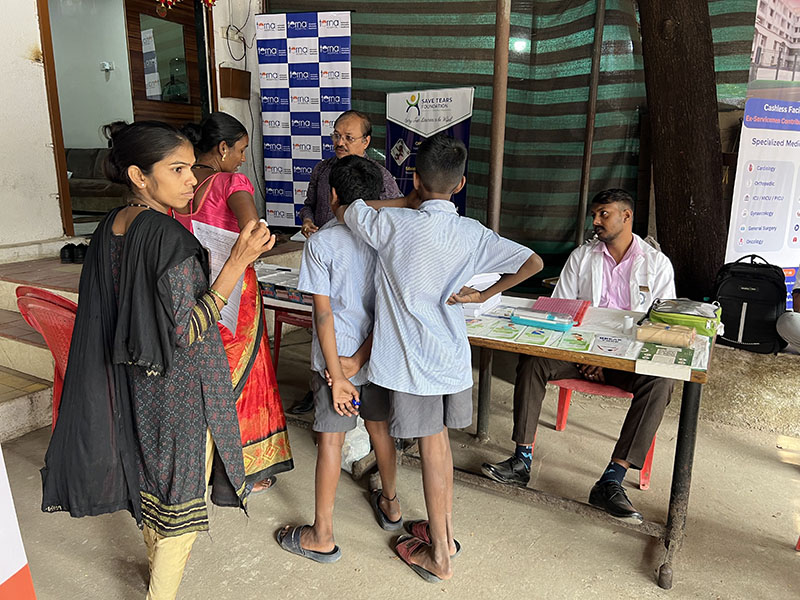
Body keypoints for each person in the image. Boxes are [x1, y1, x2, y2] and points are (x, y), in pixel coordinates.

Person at [39, 121, 276, 600]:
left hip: (133, 382)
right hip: (179, 390)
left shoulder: (113, 225)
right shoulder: (168, 237)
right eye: (178, 169)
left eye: (191, 168)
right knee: (179, 506)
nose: (191, 180)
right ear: (139, 175)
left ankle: (154, 570)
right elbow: (184, 331)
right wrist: (236, 263)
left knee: (152, 483)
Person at [338, 135, 543, 582]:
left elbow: (348, 209)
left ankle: (440, 559)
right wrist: (484, 293)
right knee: (441, 449)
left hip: (414, 364)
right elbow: (533, 263)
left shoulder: (393, 224)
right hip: (450, 360)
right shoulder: (472, 233)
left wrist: (405, 200)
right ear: (461, 184)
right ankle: (443, 536)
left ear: (415, 179)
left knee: (432, 452)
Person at [481, 188, 676, 524]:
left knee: (661, 380)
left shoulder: (656, 264)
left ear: (626, 216)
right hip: (577, 354)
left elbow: (660, 322)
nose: (596, 221)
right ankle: (521, 459)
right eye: (594, 214)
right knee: (533, 359)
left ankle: (612, 479)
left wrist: (607, 358)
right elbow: (561, 312)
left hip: (625, 360)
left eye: (604, 214)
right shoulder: (582, 257)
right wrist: (586, 354)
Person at [276, 155, 404, 563]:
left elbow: (323, 315)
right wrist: (360, 359)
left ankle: (323, 534)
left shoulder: (321, 243)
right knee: (381, 431)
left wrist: (338, 373)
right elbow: (389, 308)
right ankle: (392, 505)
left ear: (332, 195)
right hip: (376, 355)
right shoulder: (388, 239)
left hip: (333, 361)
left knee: (331, 441)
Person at [176, 112, 293, 496]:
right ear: (222, 148)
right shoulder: (230, 182)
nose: (243, 158)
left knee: (203, 374)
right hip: (233, 293)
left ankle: (205, 461)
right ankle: (246, 467)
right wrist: (265, 240)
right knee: (244, 377)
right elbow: (254, 232)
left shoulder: (179, 185)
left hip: (191, 289)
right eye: (241, 150)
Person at [290, 110, 402, 415]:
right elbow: (309, 205)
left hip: (365, 259)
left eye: (349, 137)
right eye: (336, 135)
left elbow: (398, 212)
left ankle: (354, 387)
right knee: (327, 323)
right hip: (328, 257)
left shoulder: (380, 175)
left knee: (366, 319)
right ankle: (322, 387)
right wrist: (308, 221)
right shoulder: (322, 170)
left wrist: (357, 216)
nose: (340, 142)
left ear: (366, 142)